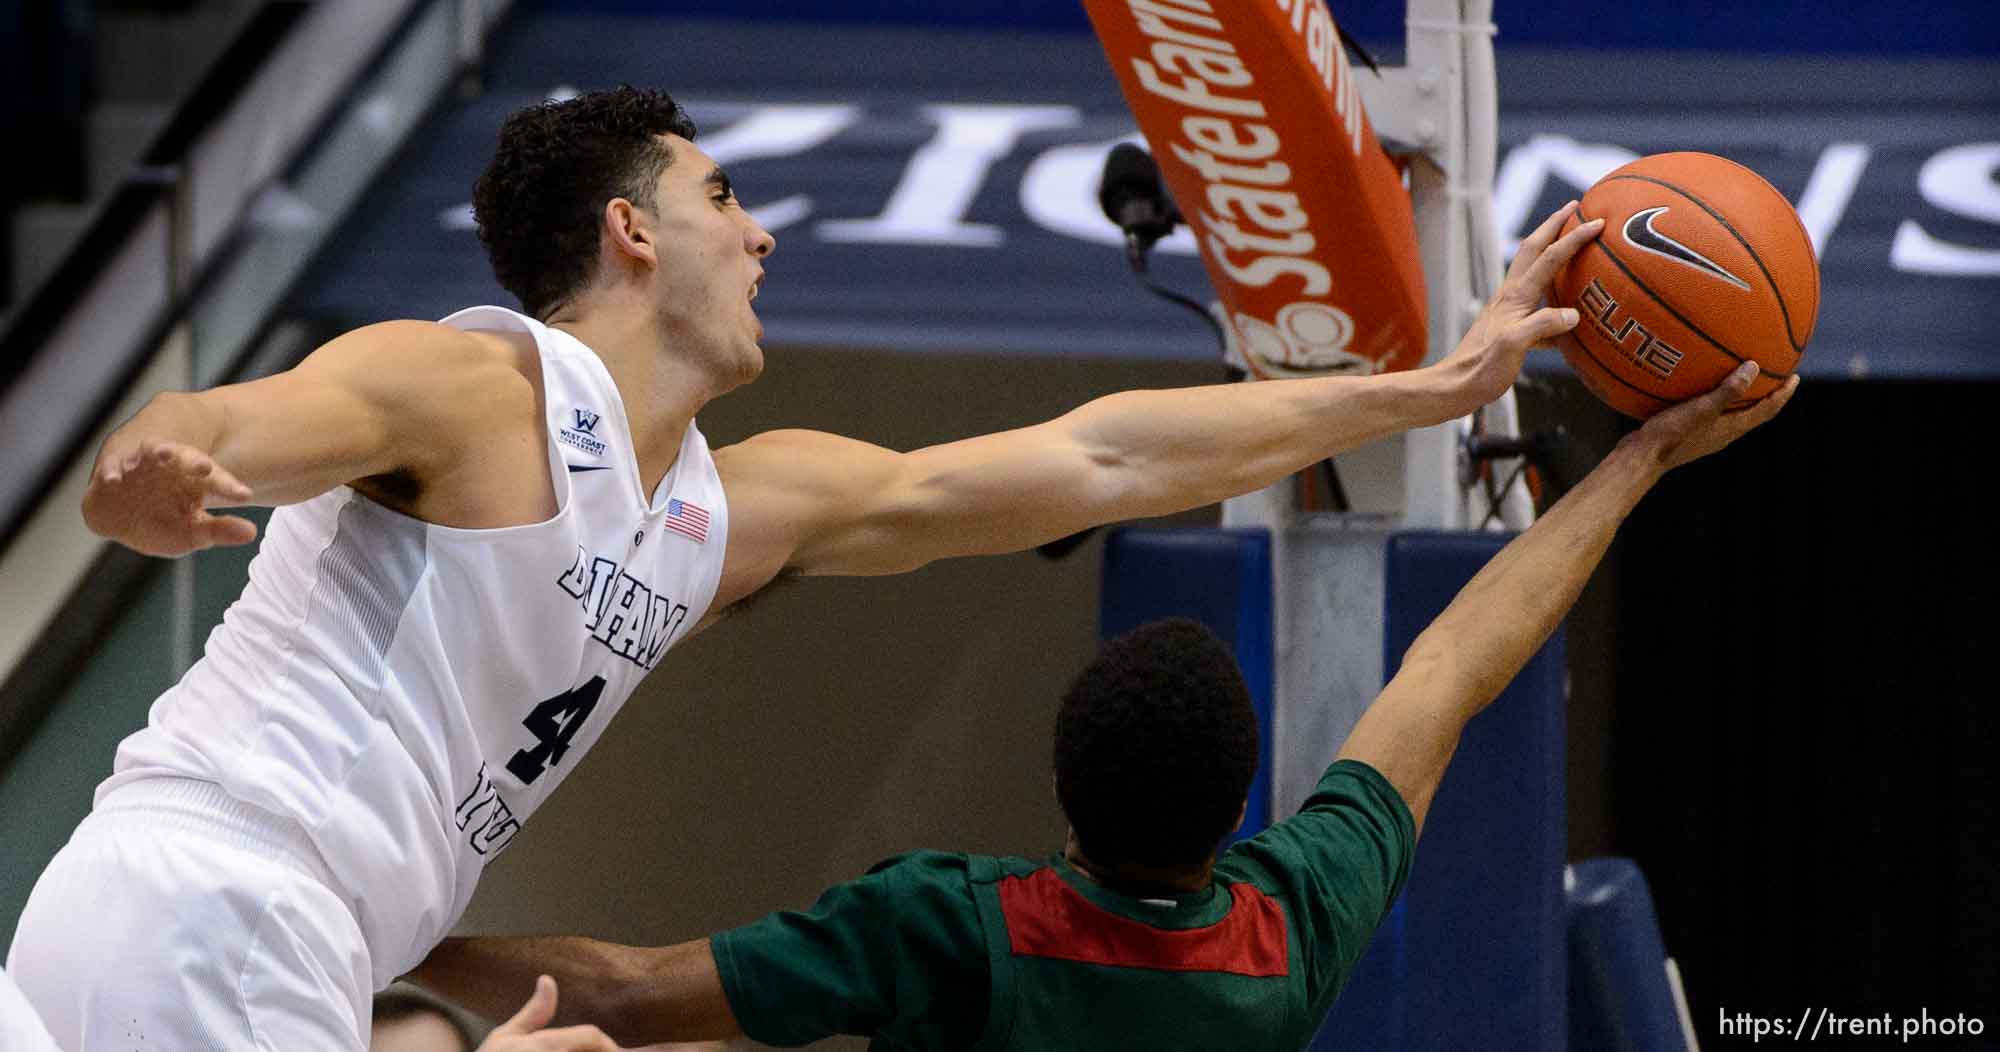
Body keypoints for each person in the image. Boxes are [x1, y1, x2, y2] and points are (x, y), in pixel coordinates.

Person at [6, 85, 1602, 1051]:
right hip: (222, 897)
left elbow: (1095, 458)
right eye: (723, 197)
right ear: (632, 236)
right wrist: (155, 472)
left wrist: (1424, 391)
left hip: (250, 926)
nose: (760, 235)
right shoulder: (481, 386)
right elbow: (236, 418)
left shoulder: (718, 513)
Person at [410, 361, 1798, 1050]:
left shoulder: (951, 925)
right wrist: (1643, 463)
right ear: (1244, 803)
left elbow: (623, 992)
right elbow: (1453, 666)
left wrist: (388, 940)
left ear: (1063, 791)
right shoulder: (1288, 930)